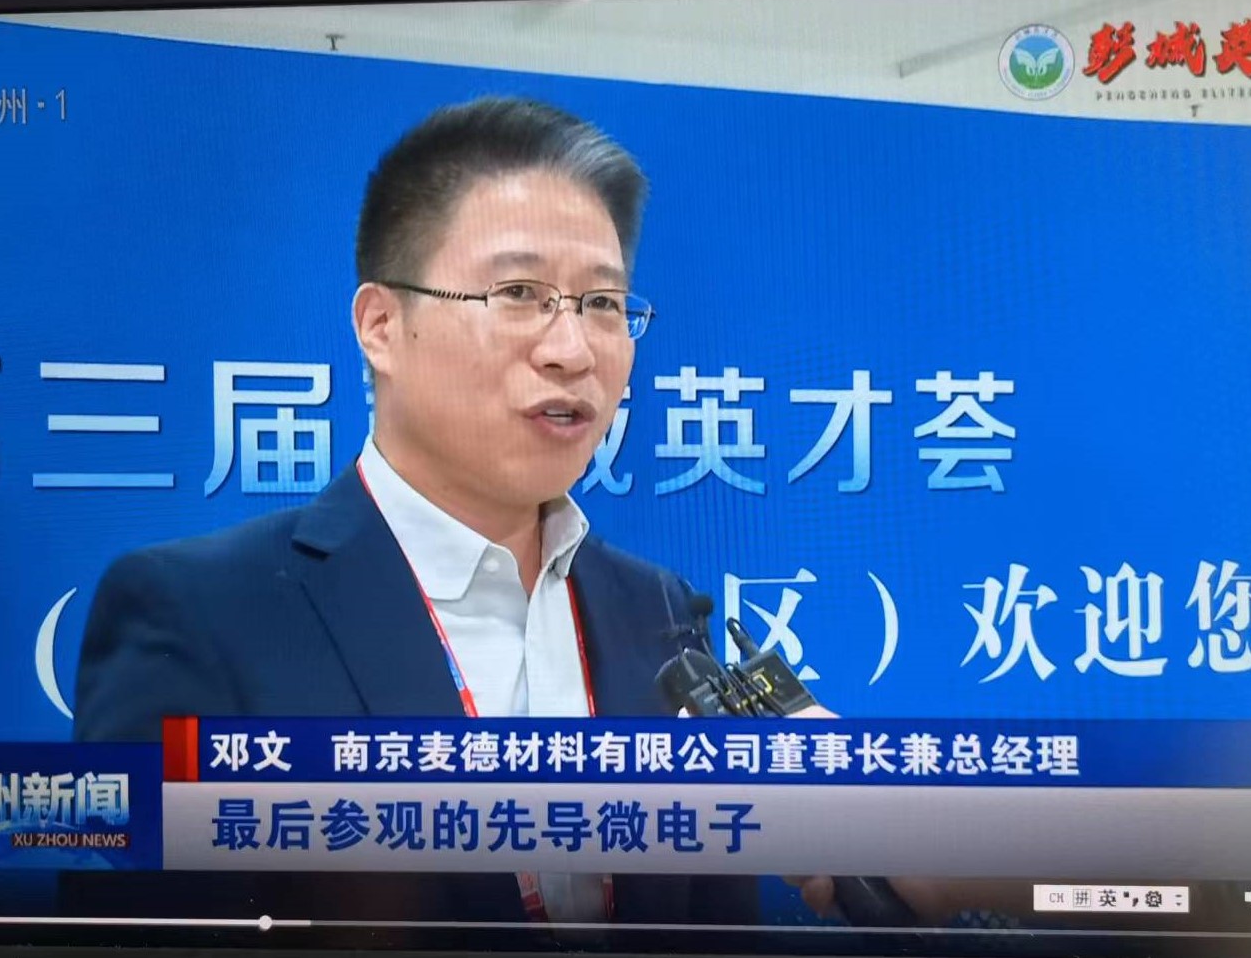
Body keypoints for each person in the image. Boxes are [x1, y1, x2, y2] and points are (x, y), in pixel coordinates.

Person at [71, 95, 759, 932]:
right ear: (381, 326)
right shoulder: (199, 613)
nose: (572, 349)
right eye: (520, 292)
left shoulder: (659, 611)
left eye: (603, 304)